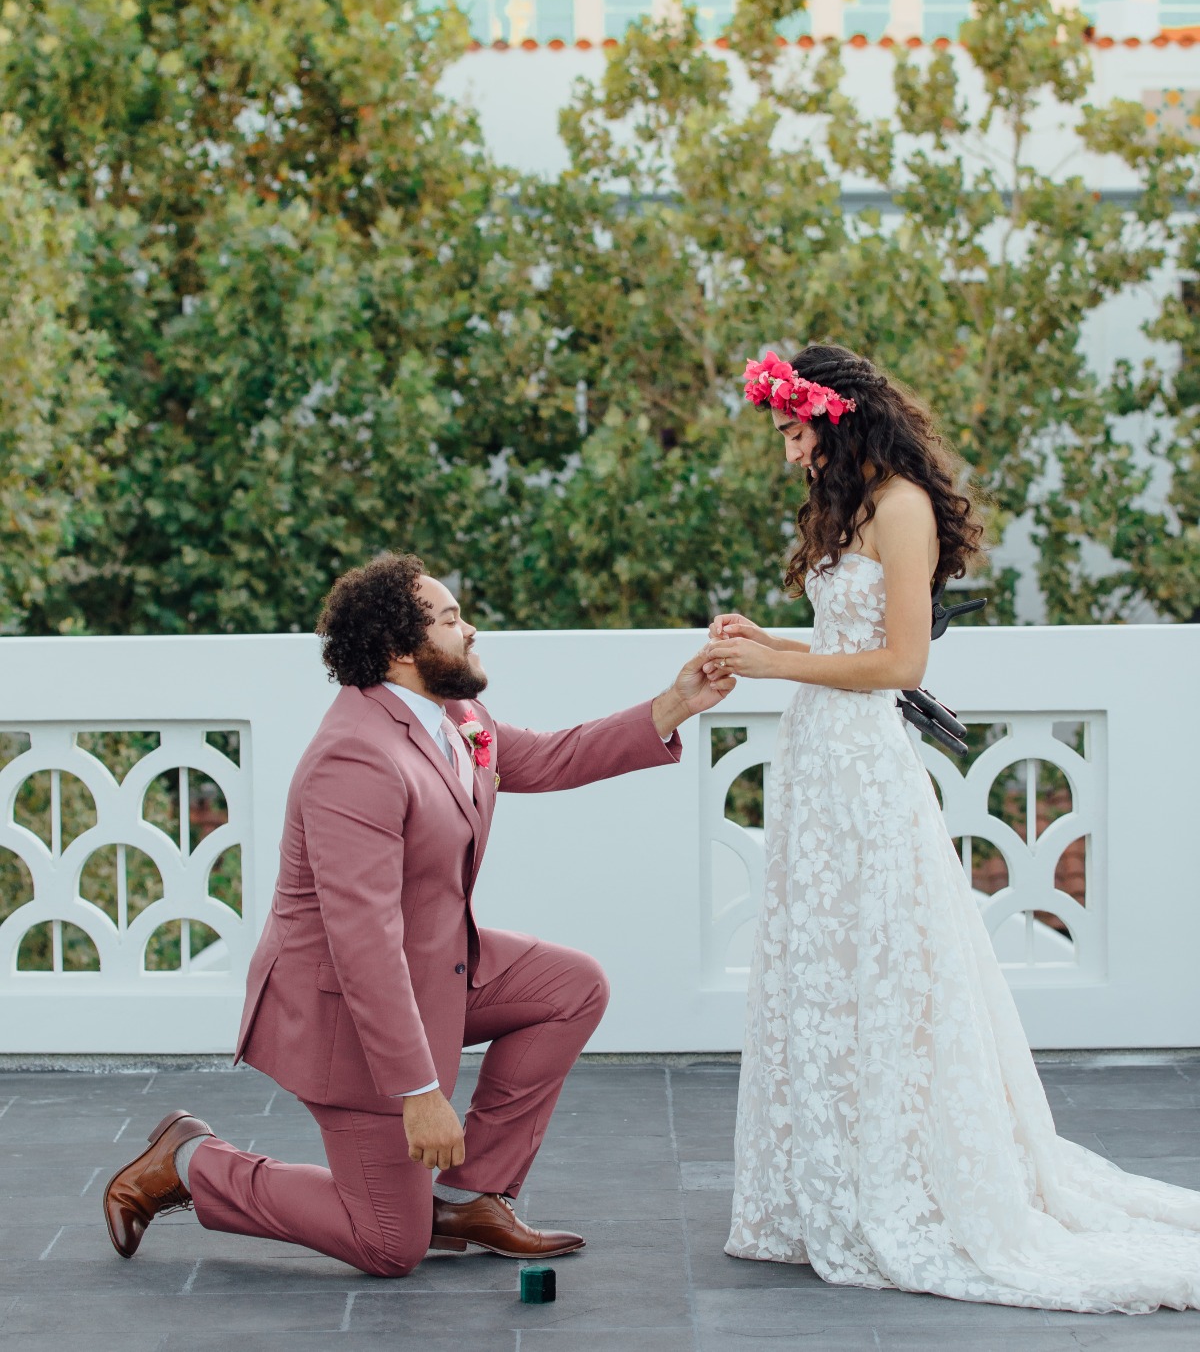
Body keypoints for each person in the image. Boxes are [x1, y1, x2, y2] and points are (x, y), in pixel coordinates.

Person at [705, 342, 1200, 1313]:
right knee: (823, 961)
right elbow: (847, 645)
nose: (788, 452)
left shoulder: (902, 508)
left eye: (792, 431)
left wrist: (777, 669)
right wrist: (771, 643)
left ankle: (902, 1178)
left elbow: (898, 662)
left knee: (889, 965)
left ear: (833, 417)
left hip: (865, 767)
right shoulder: (845, 509)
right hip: (818, 758)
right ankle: (823, 1183)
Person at [104, 553, 732, 1276]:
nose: (472, 630)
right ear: (402, 650)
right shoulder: (355, 759)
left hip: (433, 967)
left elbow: (550, 756)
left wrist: (678, 700)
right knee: (387, 1244)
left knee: (571, 985)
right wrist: (422, 1094)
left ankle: (470, 1197)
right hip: (347, 1015)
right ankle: (189, 1163)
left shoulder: (454, 714)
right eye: (452, 618)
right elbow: (362, 946)